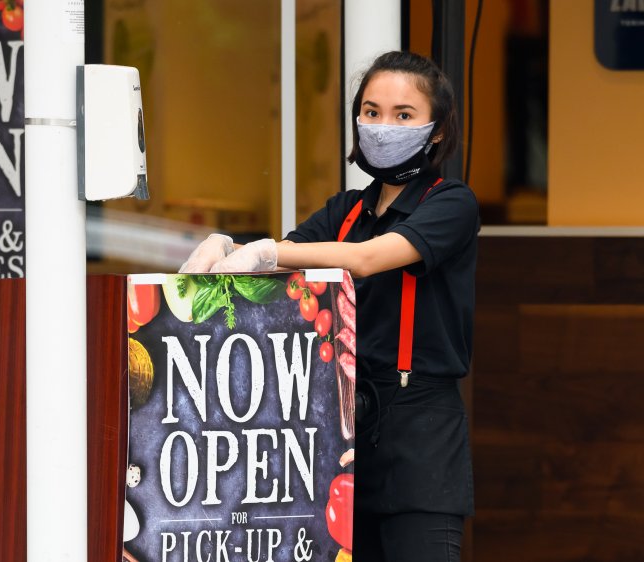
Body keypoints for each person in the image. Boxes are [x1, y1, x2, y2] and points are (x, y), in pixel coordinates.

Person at [180, 51, 478, 562]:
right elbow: (286, 268)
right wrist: (230, 248)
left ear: (436, 131)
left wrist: (267, 249)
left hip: (420, 435)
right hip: (337, 428)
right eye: (371, 111)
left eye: (403, 115)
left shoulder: (451, 203)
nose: (383, 126)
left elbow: (365, 259)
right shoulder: (346, 210)